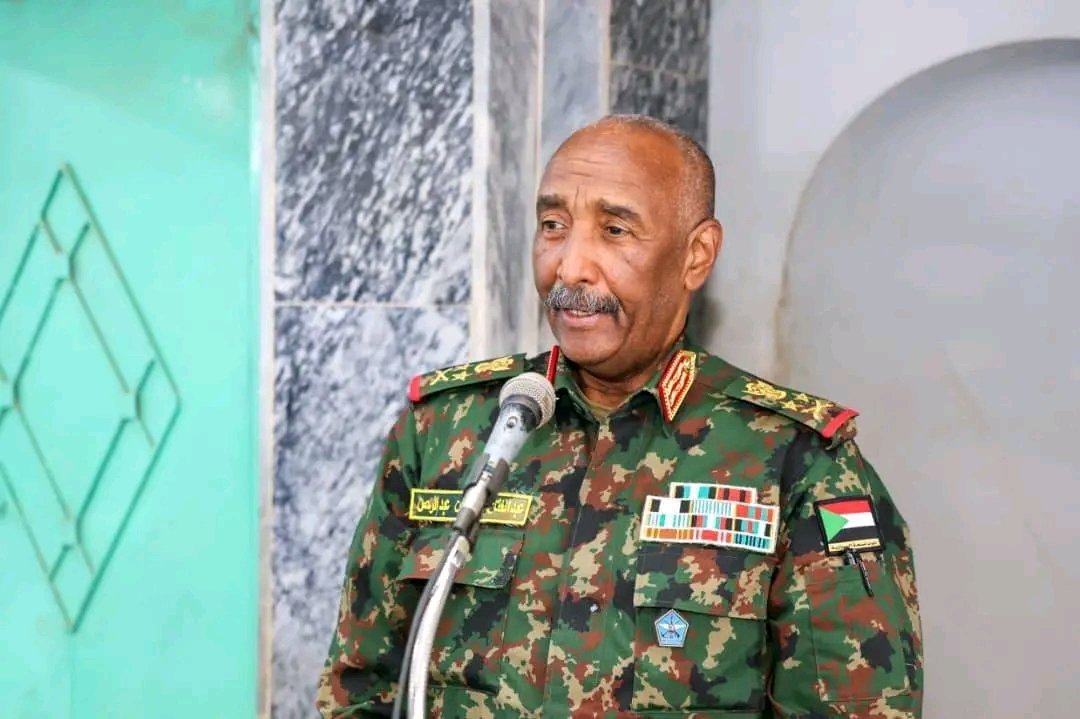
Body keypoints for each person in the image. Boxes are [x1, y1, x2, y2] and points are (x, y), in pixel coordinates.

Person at [316, 115, 923, 718]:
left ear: (696, 255)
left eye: (614, 230)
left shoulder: (800, 462)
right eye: (553, 226)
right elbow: (360, 690)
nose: (570, 267)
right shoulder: (447, 430)